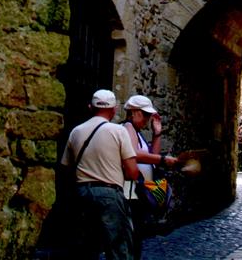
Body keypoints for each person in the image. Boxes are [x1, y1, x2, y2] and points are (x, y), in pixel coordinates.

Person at [60, 89, 140, 260]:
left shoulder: (76, 131)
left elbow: (66, 168)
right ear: (114, 110)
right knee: (118, 247)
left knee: (85, 247)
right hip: (109, 194)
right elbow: (133, 172)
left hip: (82, 193)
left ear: (90, 107)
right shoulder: (118, 131)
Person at [121, 94, 181, 258]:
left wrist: (157, 134)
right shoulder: (127, 128)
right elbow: (134, 154)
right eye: (146, 115)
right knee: (131, 237)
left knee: (137, 237)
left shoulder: (137, 132)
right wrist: (163, 159)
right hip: (130, 193)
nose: (148, 119)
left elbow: (150, 159)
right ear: (135, 112)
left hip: (138, 192)